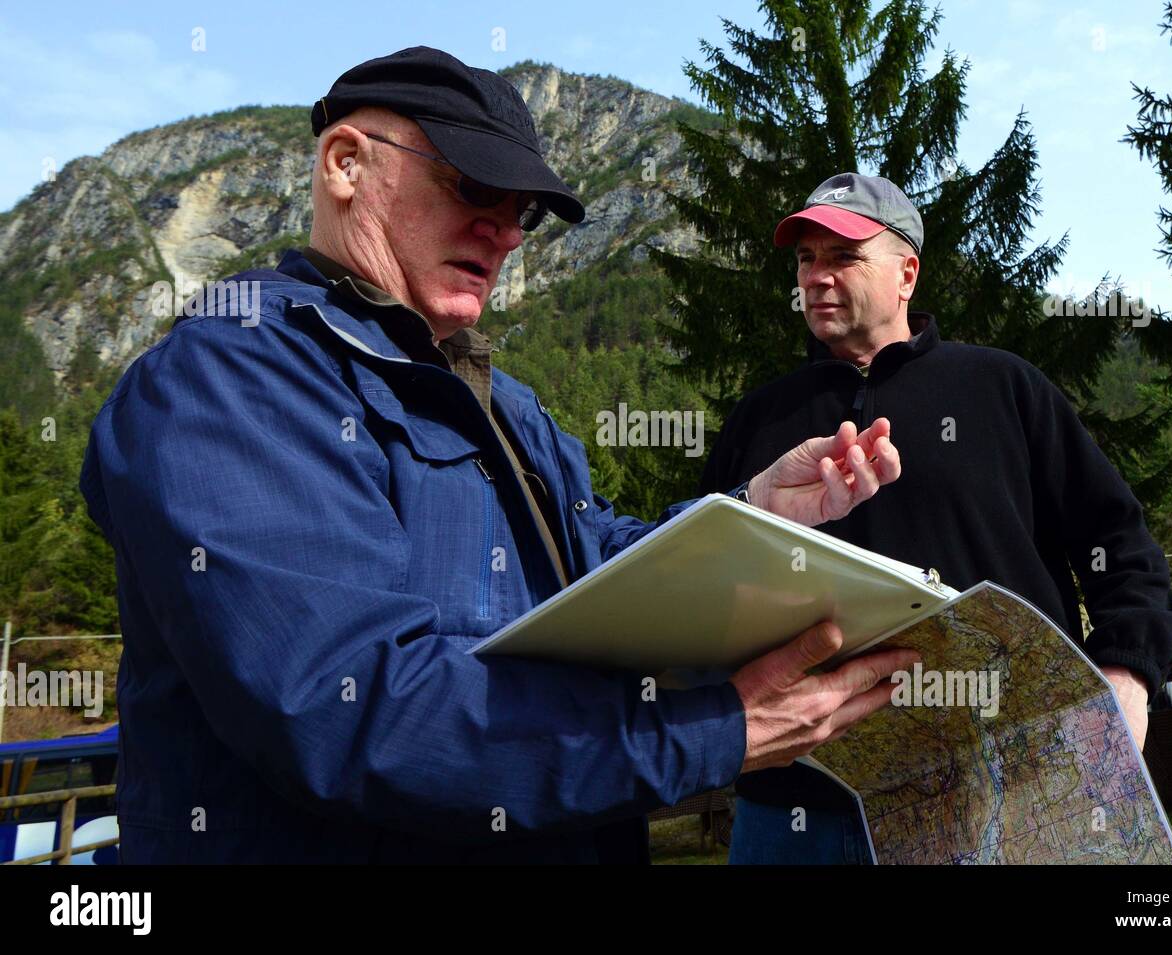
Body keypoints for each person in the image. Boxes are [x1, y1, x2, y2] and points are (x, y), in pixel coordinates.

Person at [78, 49, 913, 864]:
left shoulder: (505, 402)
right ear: (344, 163)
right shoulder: (231, 376)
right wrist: (713, 730)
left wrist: (748, 512)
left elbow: (594, 567)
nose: (506, 233)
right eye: (474, 187)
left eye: (525, 212)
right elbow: (347, 704)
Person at [700, 172, 1172, 864]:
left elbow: (1122, 544)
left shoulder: (1004, 388)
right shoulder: (758, 419)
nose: (816, 277)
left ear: (907, 274)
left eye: (842, 256)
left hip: (1000, 790)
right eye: (806, 259)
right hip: (795, 809)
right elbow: (703, 581)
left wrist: (1126, 676)